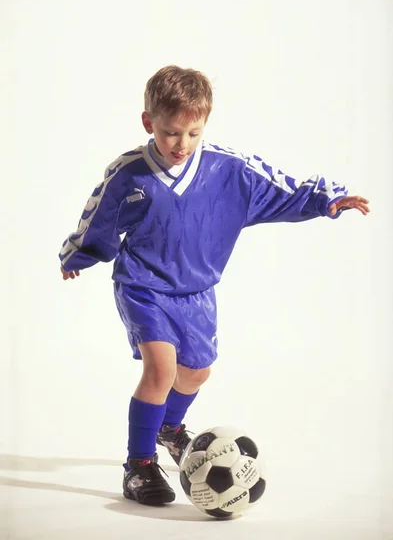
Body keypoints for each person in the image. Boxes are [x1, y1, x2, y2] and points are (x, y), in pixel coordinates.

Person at [59, 65, 370, 506]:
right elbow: (99, 218)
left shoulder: (228, 170)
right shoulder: (128, 175)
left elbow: (278, 187)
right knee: (161, 369)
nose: (181, 144)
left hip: (197, 292)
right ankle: (139, 465)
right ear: (149, 123)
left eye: (192, 133)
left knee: (197, 372)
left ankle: (169, 428)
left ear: (205, 125)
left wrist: (326, 200)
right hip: (144, 286)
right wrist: (81, 254)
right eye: (170, 133)